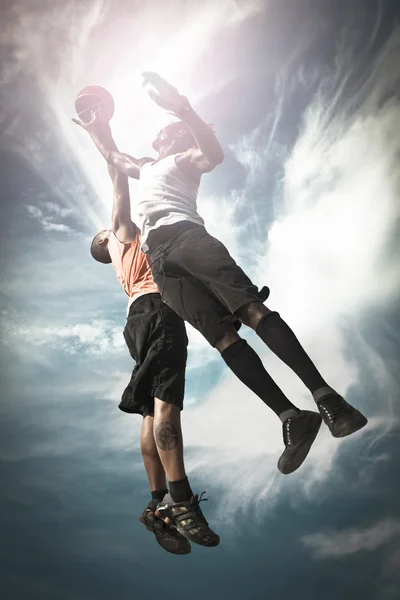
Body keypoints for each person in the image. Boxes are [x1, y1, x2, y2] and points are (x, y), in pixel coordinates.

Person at [73, 72, 367, 525]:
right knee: (223, 339)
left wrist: (182, 109)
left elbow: (214, 153)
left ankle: (328, 398)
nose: (158, 137)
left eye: (164, 132)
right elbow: (113, 158)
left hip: (187, 237)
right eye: (160, 133)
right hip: (164, 265)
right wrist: (97, 127)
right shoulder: (147, 168)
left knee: (251, 310)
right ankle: (291, 417)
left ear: (176, 136)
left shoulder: (185, 160)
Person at [85, 158, 220, 551]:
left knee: (149, 410)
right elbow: (119, 191)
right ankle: (180, 498)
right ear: (104, 242)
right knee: (166, 404)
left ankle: (156, 501)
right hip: (158, 312)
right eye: (105, 230)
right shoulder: (122, 238)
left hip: (137, 320)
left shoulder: (127, 264)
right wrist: (114, 158)